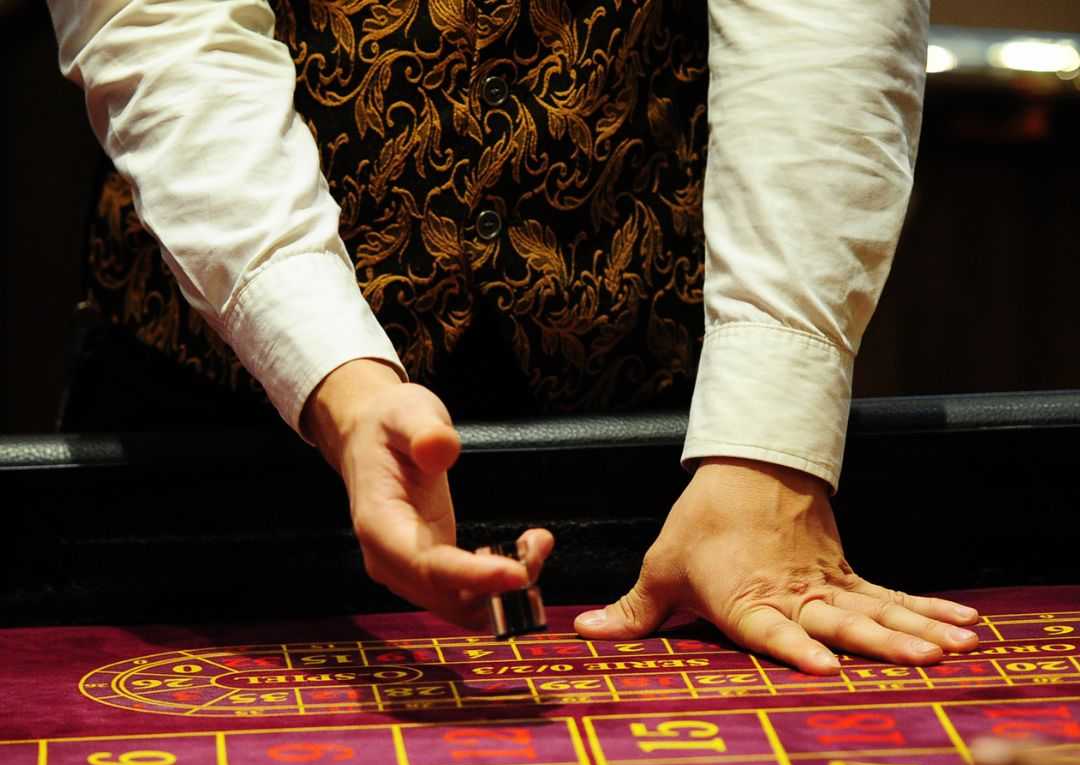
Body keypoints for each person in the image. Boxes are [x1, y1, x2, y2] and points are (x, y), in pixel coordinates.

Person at [46, 0, 982, 671]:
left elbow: (819, 22)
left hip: (684, 443)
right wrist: (339, 381)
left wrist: (765, 448)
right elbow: (163, 31)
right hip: (218, 397)